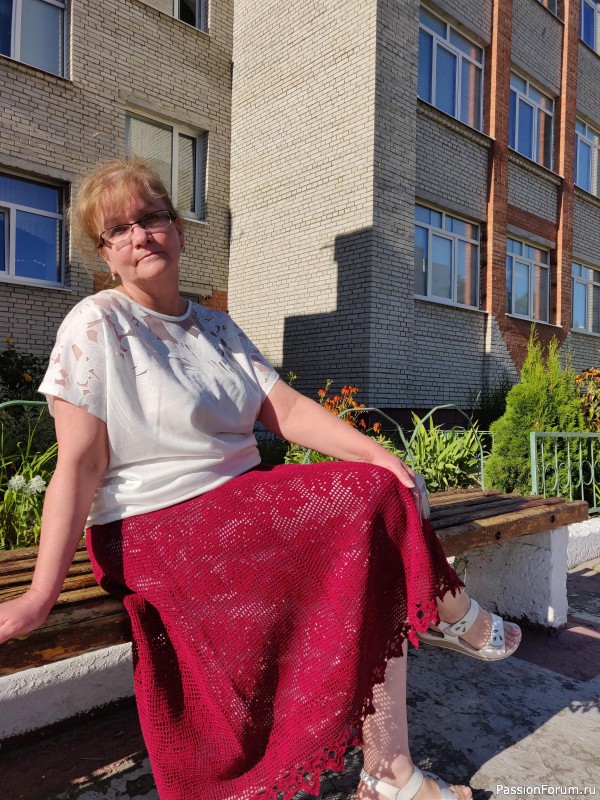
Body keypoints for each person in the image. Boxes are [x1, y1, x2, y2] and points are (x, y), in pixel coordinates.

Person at [0, 159, 520, 800]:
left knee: (376, 495)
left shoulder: (215, 326)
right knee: (368, 513)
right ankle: (443, 618)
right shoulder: (95, 323)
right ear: (106, 256)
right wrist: (39, 595)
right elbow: (78, 465)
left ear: (178, 230)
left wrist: (377, 454)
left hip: (240, 507)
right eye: (119, 229)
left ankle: (391, 767)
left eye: (152, 217)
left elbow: (287, 409)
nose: (140, 235)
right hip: (153, 526)